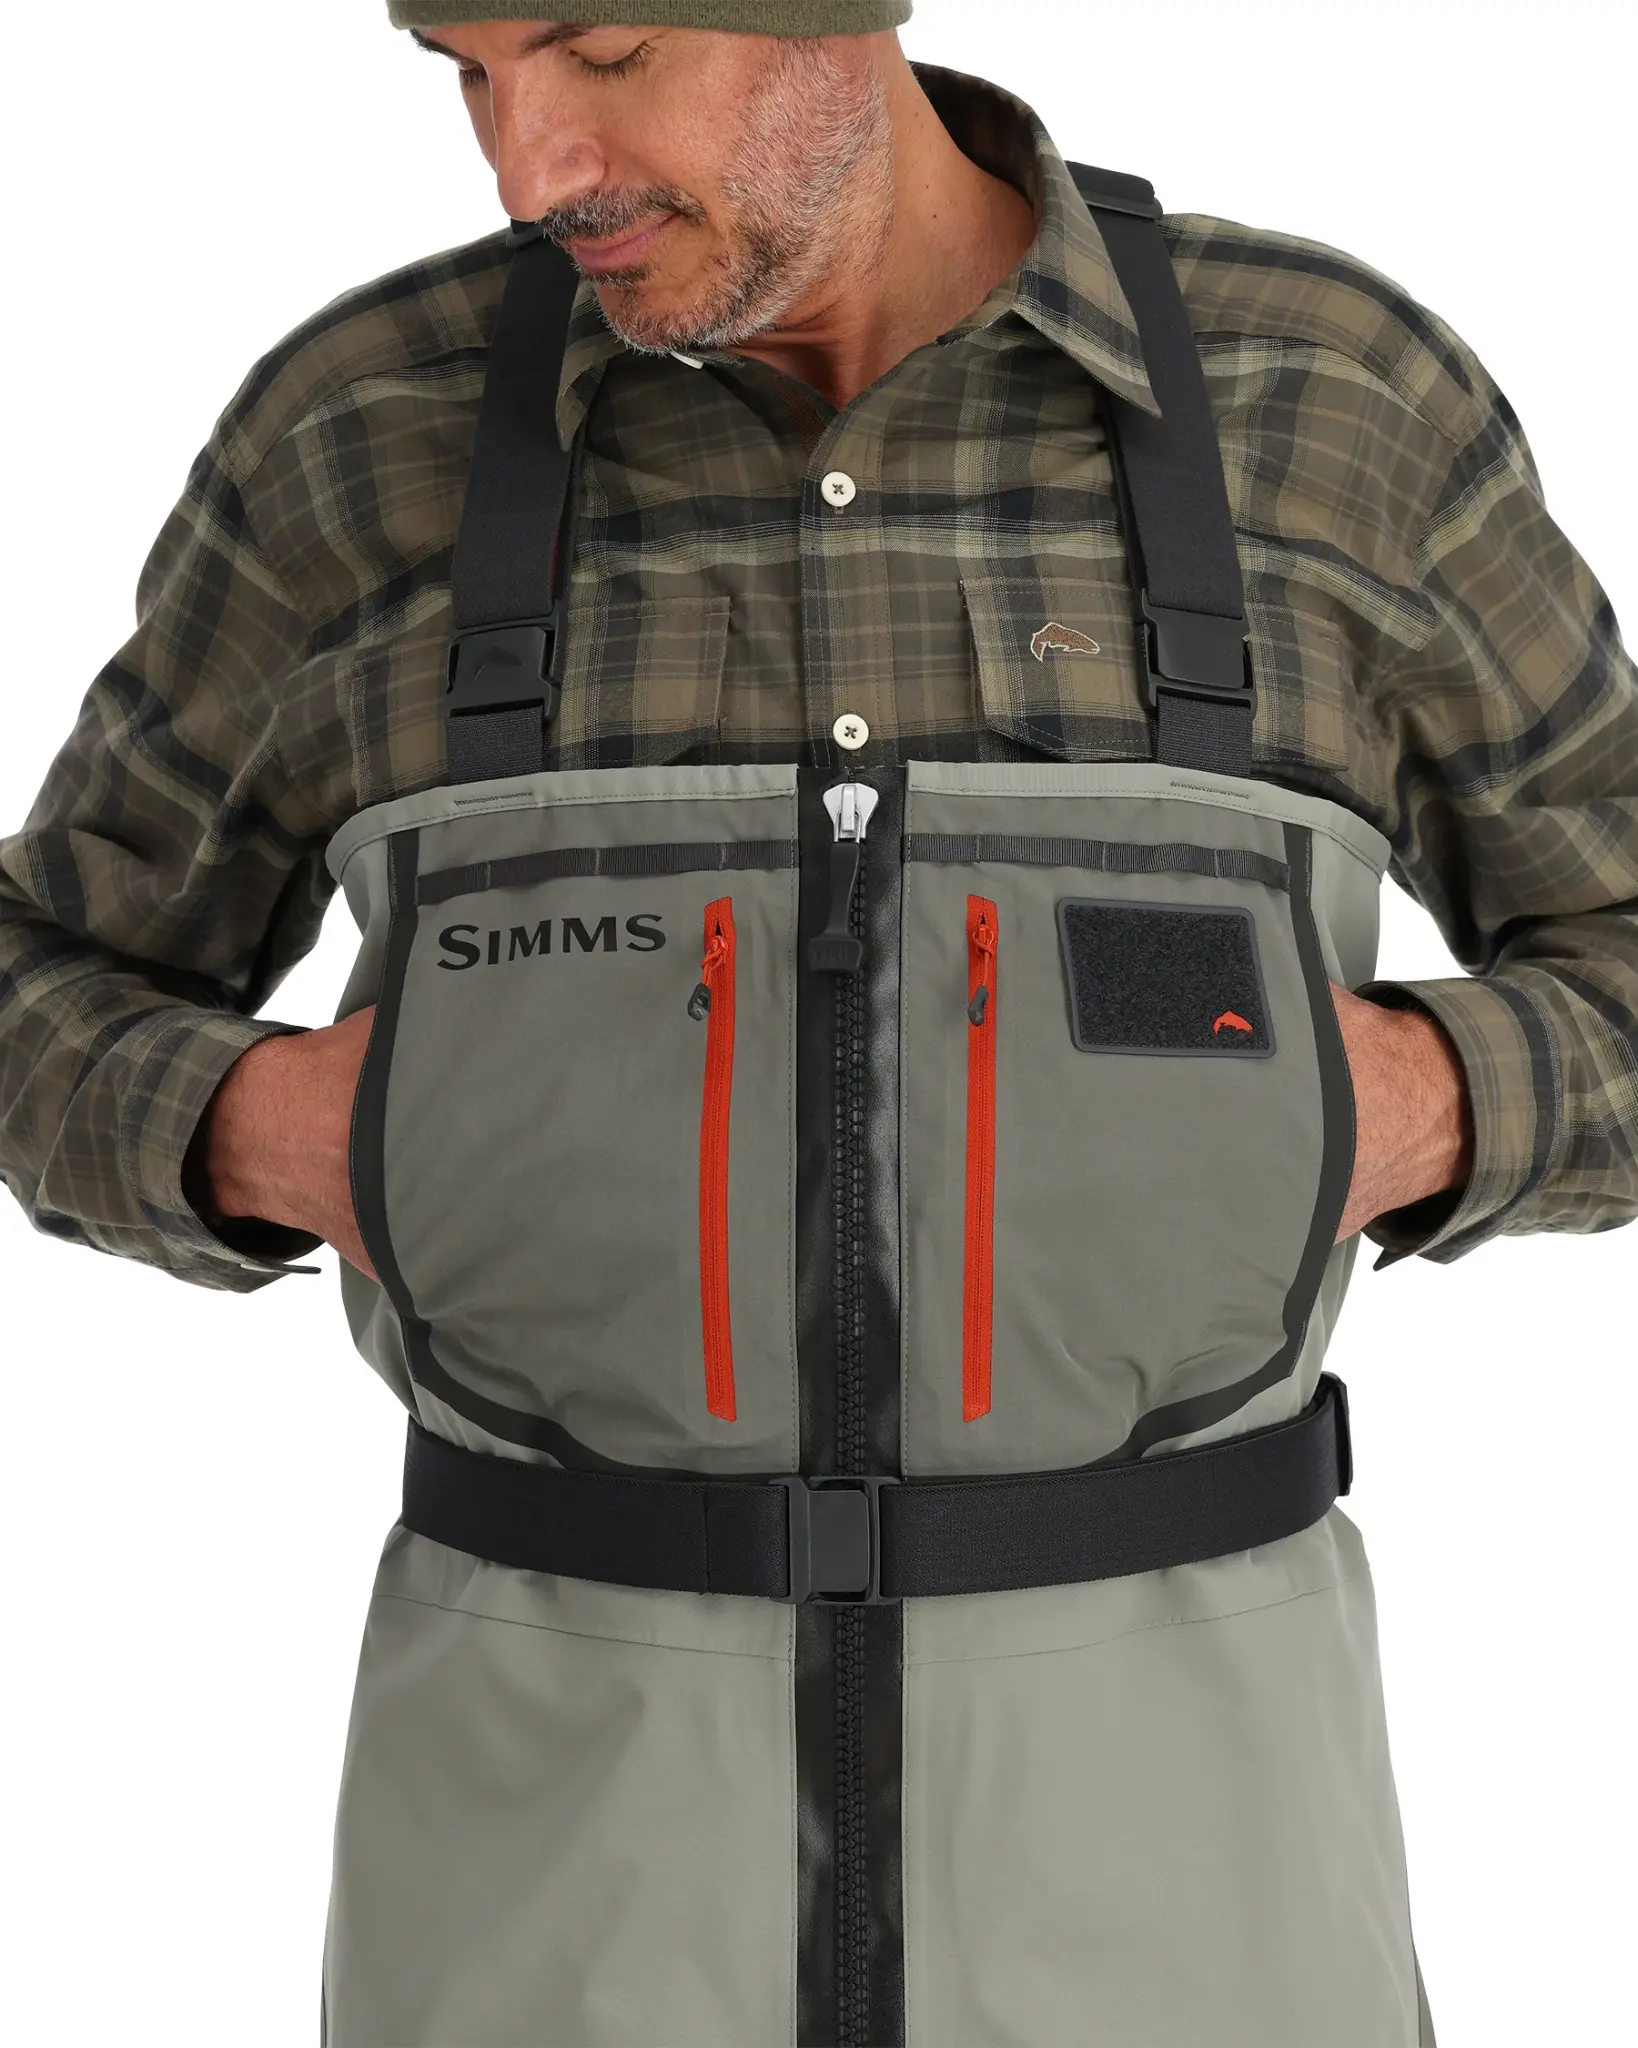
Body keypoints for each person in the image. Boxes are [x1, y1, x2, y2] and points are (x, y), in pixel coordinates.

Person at [1, 5, 1633, 2043]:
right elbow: (41, 974)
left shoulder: (1322, 399)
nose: (529, 167)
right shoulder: (362, 435)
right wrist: (274, 1130)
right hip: (536, 1925)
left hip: (1203, 1915)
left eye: (601, 49)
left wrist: (1402, 1100)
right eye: (467, 69)